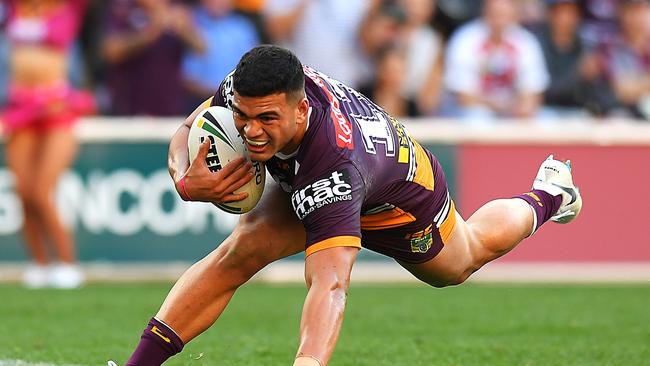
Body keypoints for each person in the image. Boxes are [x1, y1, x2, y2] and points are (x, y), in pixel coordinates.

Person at [111, 45, 582, 366]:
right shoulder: (247, 88)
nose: (250, 131)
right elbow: (188, 129)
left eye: (266, 119)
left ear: (301, 110)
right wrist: (182, 175)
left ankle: (549, 193)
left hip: (401, 195)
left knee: (462, 259)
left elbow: (331, 284)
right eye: (243, 117)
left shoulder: (335, 165)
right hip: (317, 175)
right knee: (243, 249)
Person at [1, 0, 94, 289]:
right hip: (21, 107)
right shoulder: (15, 8)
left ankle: (68, 264)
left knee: (41, 191)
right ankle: (39, 264)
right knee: (24, 192)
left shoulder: (69, 8)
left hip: (56, 108)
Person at [444, 0, 549, 120]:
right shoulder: (465, 39)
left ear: (514, 15)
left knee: (546, 119)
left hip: (512, 110)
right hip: (473, 111)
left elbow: (533, 90)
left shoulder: (525, 41)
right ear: (485, 13)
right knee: (478, 118)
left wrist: (523, 107)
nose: (499, 21)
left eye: (503, 15)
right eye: (495, 14)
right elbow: (463, 96)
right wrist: (499, 106)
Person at [101, 0, 205, 116]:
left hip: (169, 108)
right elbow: (111, 51)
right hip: (129, 110)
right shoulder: (123, 9)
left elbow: (201, 48)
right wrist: (152, 31)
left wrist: (185, 30)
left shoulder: (177, 11)